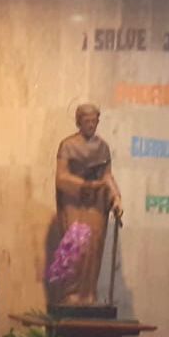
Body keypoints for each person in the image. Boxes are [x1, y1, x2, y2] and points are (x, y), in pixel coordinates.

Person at [45, 103, 124, 306]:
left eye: (94, 121)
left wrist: (116, 198)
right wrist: (85, 185)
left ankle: (88, 293)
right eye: (86, 121)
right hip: (74, 201)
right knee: (76, 244)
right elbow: (61, 178)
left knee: (94, 245)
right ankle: (71, 292)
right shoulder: (68, 145)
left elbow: (107, 176)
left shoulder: (102, 147)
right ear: (78, 122)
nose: (90, 125)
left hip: (96, 203)